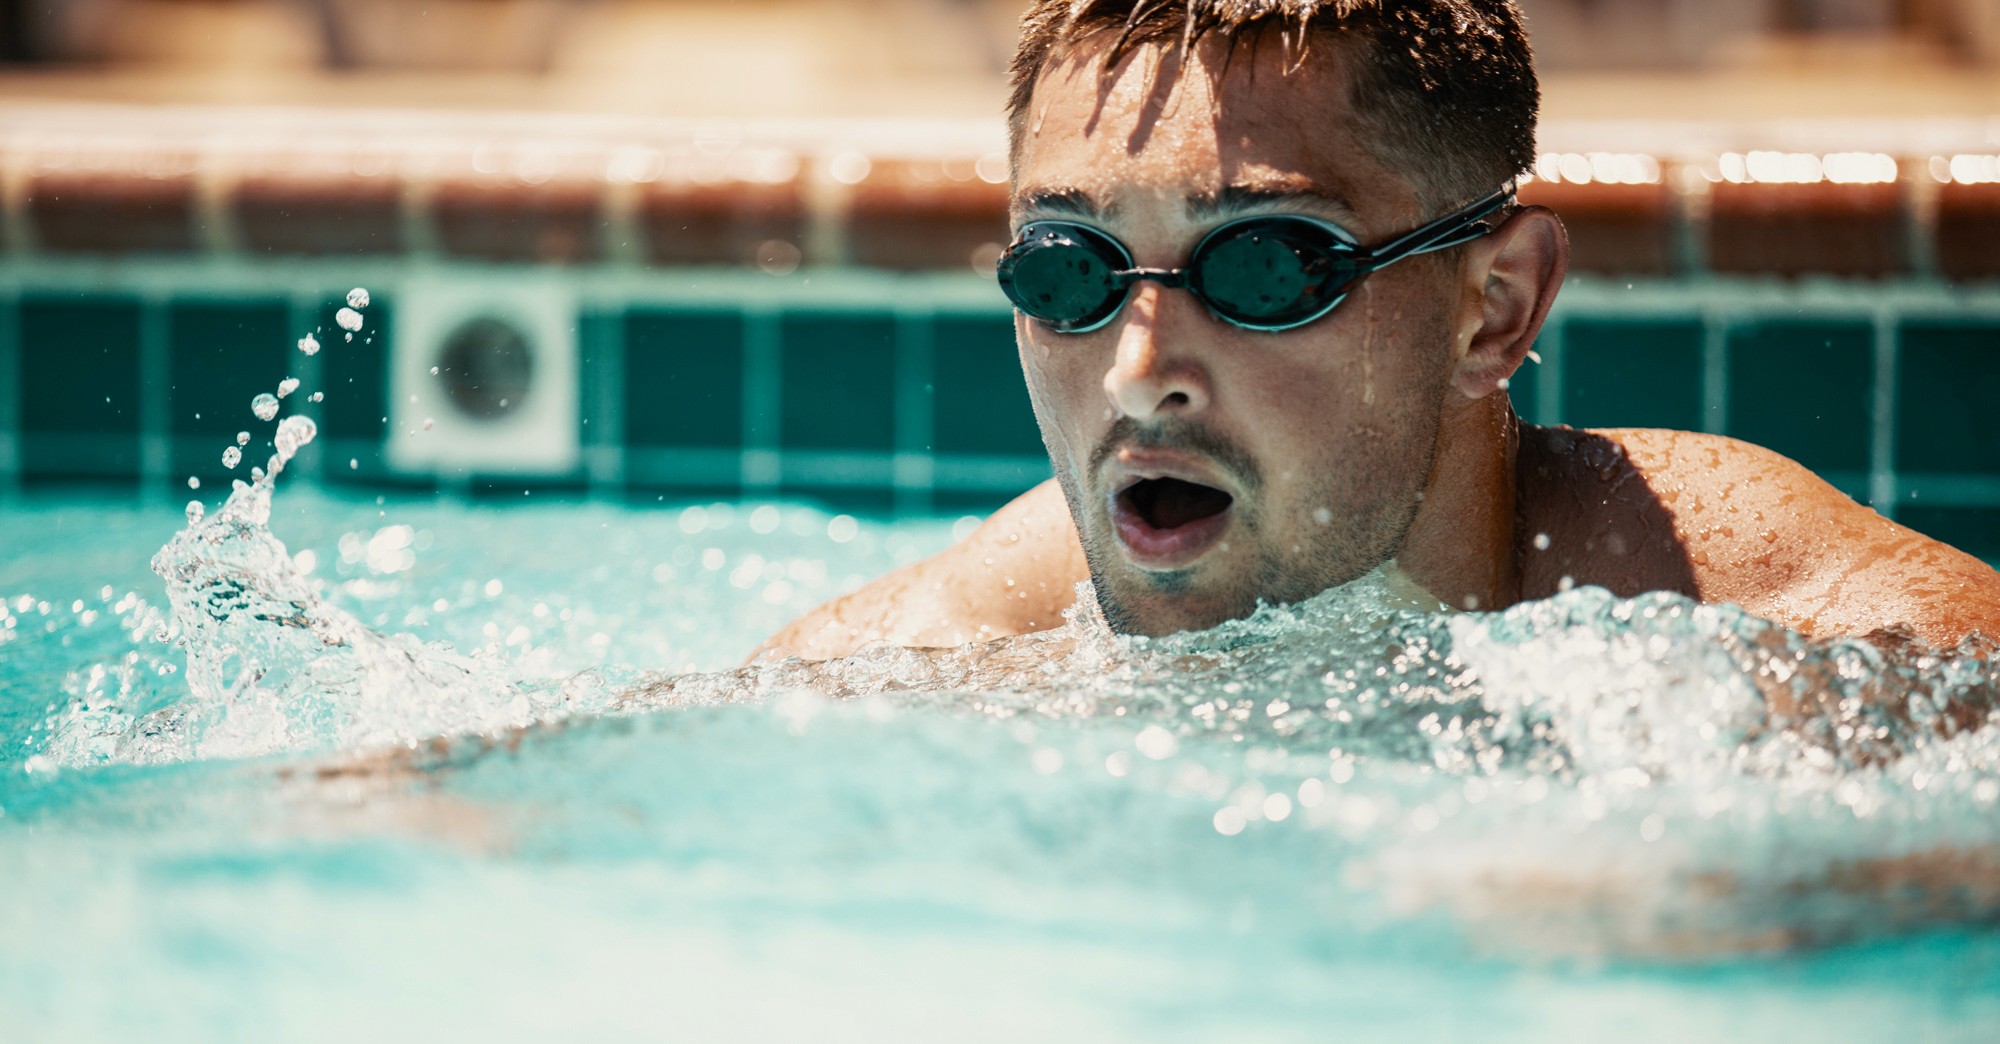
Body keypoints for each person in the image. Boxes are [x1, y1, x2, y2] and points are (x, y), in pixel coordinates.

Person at [758, 0, 2000, 662]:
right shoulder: (972, 649)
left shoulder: (1786, 643)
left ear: (1494, 306)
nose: (1137, 378)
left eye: (1262, 264)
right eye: (1066, 270)